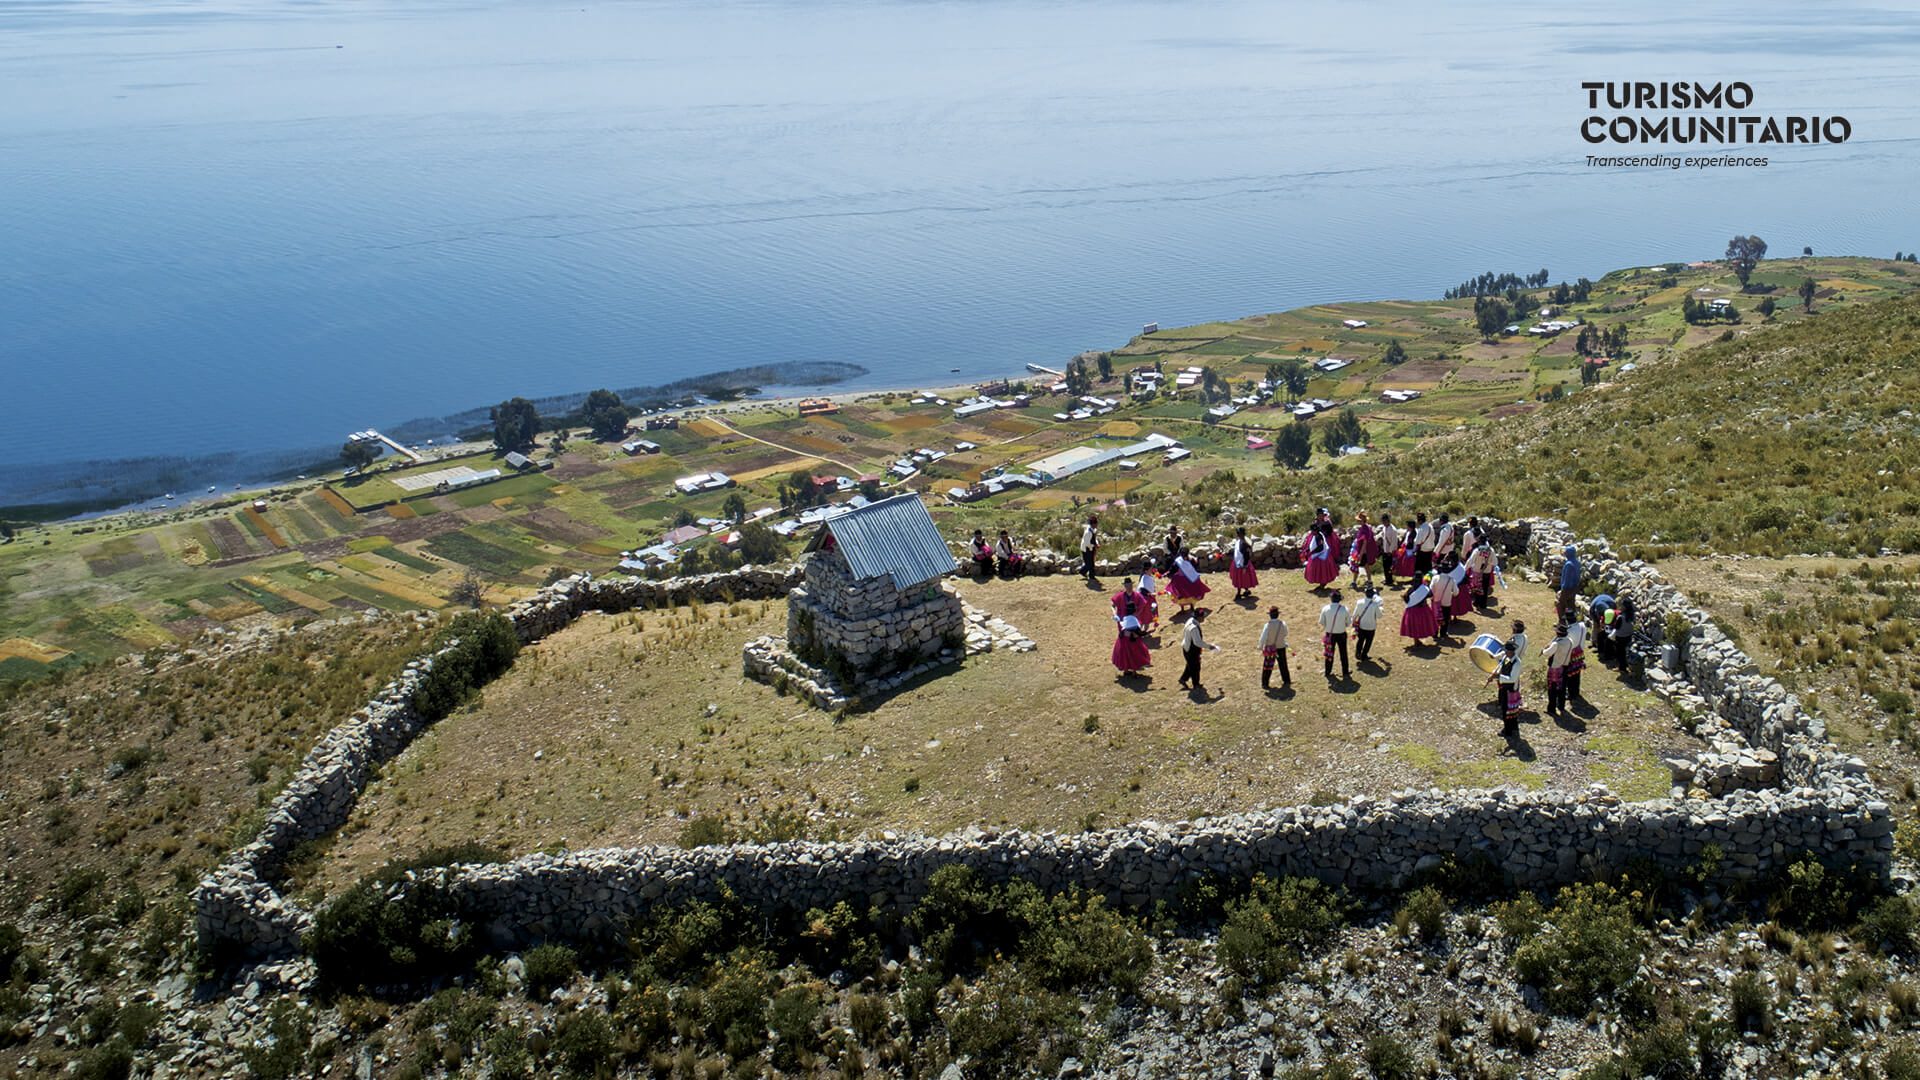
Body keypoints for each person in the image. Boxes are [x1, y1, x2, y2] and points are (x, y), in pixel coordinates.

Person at [1489, 620, 1528, 737]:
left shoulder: (1516, 662)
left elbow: (1510, 679)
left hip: (1510, 685)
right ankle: (1513, 726)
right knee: (1512, 708)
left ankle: (1508, 730)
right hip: (1510, 680)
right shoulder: (1524, 639)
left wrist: (1498, 676)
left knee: (1507, 708)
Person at [1178, 610, 1219, 690]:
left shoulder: (1190, 621)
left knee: (1190, 665)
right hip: (1191, 650)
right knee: (1195, 668)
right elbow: (1197, 642)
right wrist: (1209, 646)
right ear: (1199, 617)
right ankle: (1196, 684)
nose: (1204, 618)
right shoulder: (1194, 628)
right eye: (1203, 616)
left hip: (1186, 646)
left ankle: (1183, 679)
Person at [1320, 589, 1352, 680]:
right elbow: (1348, 622)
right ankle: (1345, 671)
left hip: (1330, 634)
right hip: (1341, 633)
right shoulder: (1344, 609)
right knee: (1343, 653)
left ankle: (1328, 671)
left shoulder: (1325, 609)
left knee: (1329, 653)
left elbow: (1322, 622)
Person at [1257, 605, 1291, 689]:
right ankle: (1286, 680)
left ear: (1270, 615)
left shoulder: (1267, 625)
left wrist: (1260, 646)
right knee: (1283, 664)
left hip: (1270, 648)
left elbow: (1263, 637)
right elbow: (1285, 633)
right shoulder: (1282, 624)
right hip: (1281, 646)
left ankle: (1265, 683)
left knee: (1268, 666)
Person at [1399, 575, 1438, 647]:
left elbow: (1406, 598)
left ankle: (1416, 641)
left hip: (1412, 610)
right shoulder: (1425, 589)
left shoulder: (1411, 590)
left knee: (1414, 626)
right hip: (1423, 609)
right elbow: (1430, 595)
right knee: (1423, 624)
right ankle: (1419, 640)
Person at [1543, 623, 1572, 716]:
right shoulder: (1570, 641)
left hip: (1555, 667)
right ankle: (1561, 706)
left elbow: (1547, 653)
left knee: (1552, 689)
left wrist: (1544, 650)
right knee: (1562, 688)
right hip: (1565, 666)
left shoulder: (1556, 643)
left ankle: (1551, 708)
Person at [1112, 612, 1151, 677]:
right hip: (1133, 645)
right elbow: (1137, 634)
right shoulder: (1134, 631)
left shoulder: (1123, 632)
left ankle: (1126, 671)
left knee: (1125, 657)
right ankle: (1134, 672)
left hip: (1123, 645)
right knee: (1134, 657)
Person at [1352, 586, 1384, 663]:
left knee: (1360, 640)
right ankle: (1364, 655)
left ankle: (1358, 653)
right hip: (1371, 627)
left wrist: (1353, 622)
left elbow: (1355, 614)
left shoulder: (1359, 602)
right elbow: (1379, 616)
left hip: (1361, 626)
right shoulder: (1375, 604)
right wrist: (1381, 608)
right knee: (1368, 642)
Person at [1302, 522, 1339, 589]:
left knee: (1322, 571)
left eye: (1312, 531)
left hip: (1322, 556)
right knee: (1319, 570)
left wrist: (1312, 551)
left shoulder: (1319, 537)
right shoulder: (1316, 536)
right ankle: (1321, 584)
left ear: (1315, 531)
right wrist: (1308, 550)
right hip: (1317, 555)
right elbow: (1314, 546)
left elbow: (1321, 547)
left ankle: (1322, 583)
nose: (1311, 532)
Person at [1430, 561, 1459, 640]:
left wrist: (1432, 598)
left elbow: (1431, 590)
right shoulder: (1452, 580)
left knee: (1435, 618)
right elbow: (1456, 592)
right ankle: (1443, 633)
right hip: (1446, 603)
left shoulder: (1435, 578)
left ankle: (1435, 633)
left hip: (1436, 602)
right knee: (1445, 619)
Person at [1348, 511, 1378, 588]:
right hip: (1363, 551)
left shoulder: (1365, 529)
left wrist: (1360, 554)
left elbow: (1364, 542)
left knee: (1357, 565)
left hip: (1362, 552)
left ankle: (1355, 582)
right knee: (1365, 566)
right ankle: (1369, 581)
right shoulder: (1367, 528)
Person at [1228, 527, 1259, 600]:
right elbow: (1236, 551)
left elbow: (1246, 556)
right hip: (1237, 562)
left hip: (1243, 564)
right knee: (1243, 579)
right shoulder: (1239, 542)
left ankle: (1239, 593)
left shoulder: (1245, 544)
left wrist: (1245, 566)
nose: (1239, 536)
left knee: (1241, 579)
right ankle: (1246, 590)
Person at [1467, 540, 1498, 607]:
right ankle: (1483, 603)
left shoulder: (1477, 550)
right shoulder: (1491, 551)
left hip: (1477, 572)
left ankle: (1477, 602)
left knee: (1477, 587)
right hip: (1486, 572)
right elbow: (1495, 562)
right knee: (1485, 588)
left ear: (1479, 542)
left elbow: (1470, 561)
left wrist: (1465, 568)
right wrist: (1488, 563)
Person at [1564, 614, 1588, 700]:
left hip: (1571, 654)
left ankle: (1571, 693)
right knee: (1577, 673)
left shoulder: (1569, 630)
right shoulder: (1582, 625)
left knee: (1570, 674)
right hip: (1580, 652)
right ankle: (1576, 691)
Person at [1557, 544, 1582, 621]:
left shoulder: (1569, 564)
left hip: (1567, 588)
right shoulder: (1577, 562)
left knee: (1560, 604)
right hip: (1575, 587)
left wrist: (1563, 589)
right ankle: (1572, 620)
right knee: (1571, 604)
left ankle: (1562, 622)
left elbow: (1567, 578)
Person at [1377, 515, 1401, 588]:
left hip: (1390, 551)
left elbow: (1394, 542)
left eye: (1385, 521)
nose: (1384, 523)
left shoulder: (1393, 530)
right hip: (1385, 549)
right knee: (1385, 565)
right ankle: (1387, 578)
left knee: (1389, 566)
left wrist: (1390, 551)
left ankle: (1390, 580)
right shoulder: (1385, 528)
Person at [1137, 560, 1162, 629]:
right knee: (1144, 614)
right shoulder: (1144, 578)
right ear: (1146, 571)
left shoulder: (1149, 577)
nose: (1152, 570)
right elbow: (1142, 590)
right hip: (1145, 600)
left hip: (1150, 598)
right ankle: (1140, 629)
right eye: (1150, 569)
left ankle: (1146, 628)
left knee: (1150, 614)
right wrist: (1150, 594)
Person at [1413, 512, 1435, 577]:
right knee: (1428, 566)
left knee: (1419, 567)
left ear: (1419, 520)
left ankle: (1419, 579)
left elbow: (1418, 541)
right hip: (1430, 549)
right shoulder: (1430, 526)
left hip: (1423, 550)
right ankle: (1429, 579)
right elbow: (1433, 537)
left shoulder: (1421, 528)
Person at [1080, 515, 1100, 580]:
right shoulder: (1088, 532)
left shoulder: (1093, 530)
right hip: (1086, 549)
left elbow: (1094, 539)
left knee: (1091, 562)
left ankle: (1090, 575)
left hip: (1090, 548)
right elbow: (1087, 543)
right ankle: (1083, 572)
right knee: (1089, 563)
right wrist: (1094, 545)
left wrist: (1096, 543)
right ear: (1093, 524)